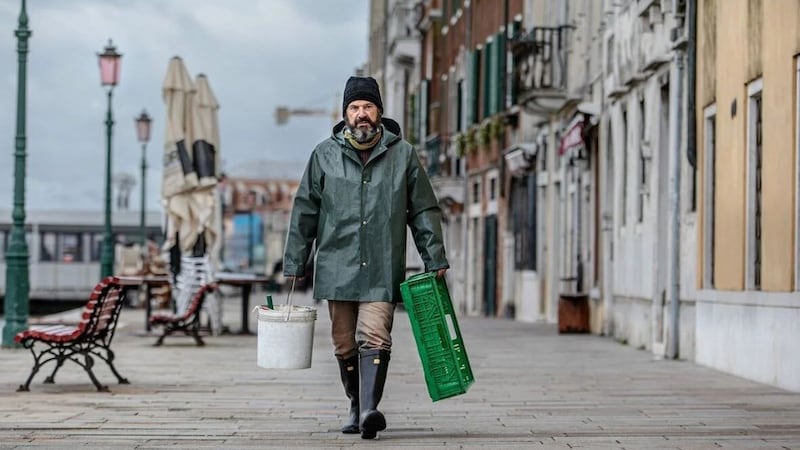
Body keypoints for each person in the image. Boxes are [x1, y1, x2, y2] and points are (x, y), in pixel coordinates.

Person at [283, 76, 449, 440]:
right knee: (344, 342)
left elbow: (423, 210)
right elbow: (304, 211)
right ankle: (356, 404)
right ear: (345, 115)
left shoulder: (403, 154)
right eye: (355, 108)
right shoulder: (323, 155)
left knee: (375, 335)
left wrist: (434, 256)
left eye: (368, 107)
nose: (362, 115)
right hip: (336, 266)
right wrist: (295, 262)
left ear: (379, 112)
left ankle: (372, 408)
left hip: (381, 265)